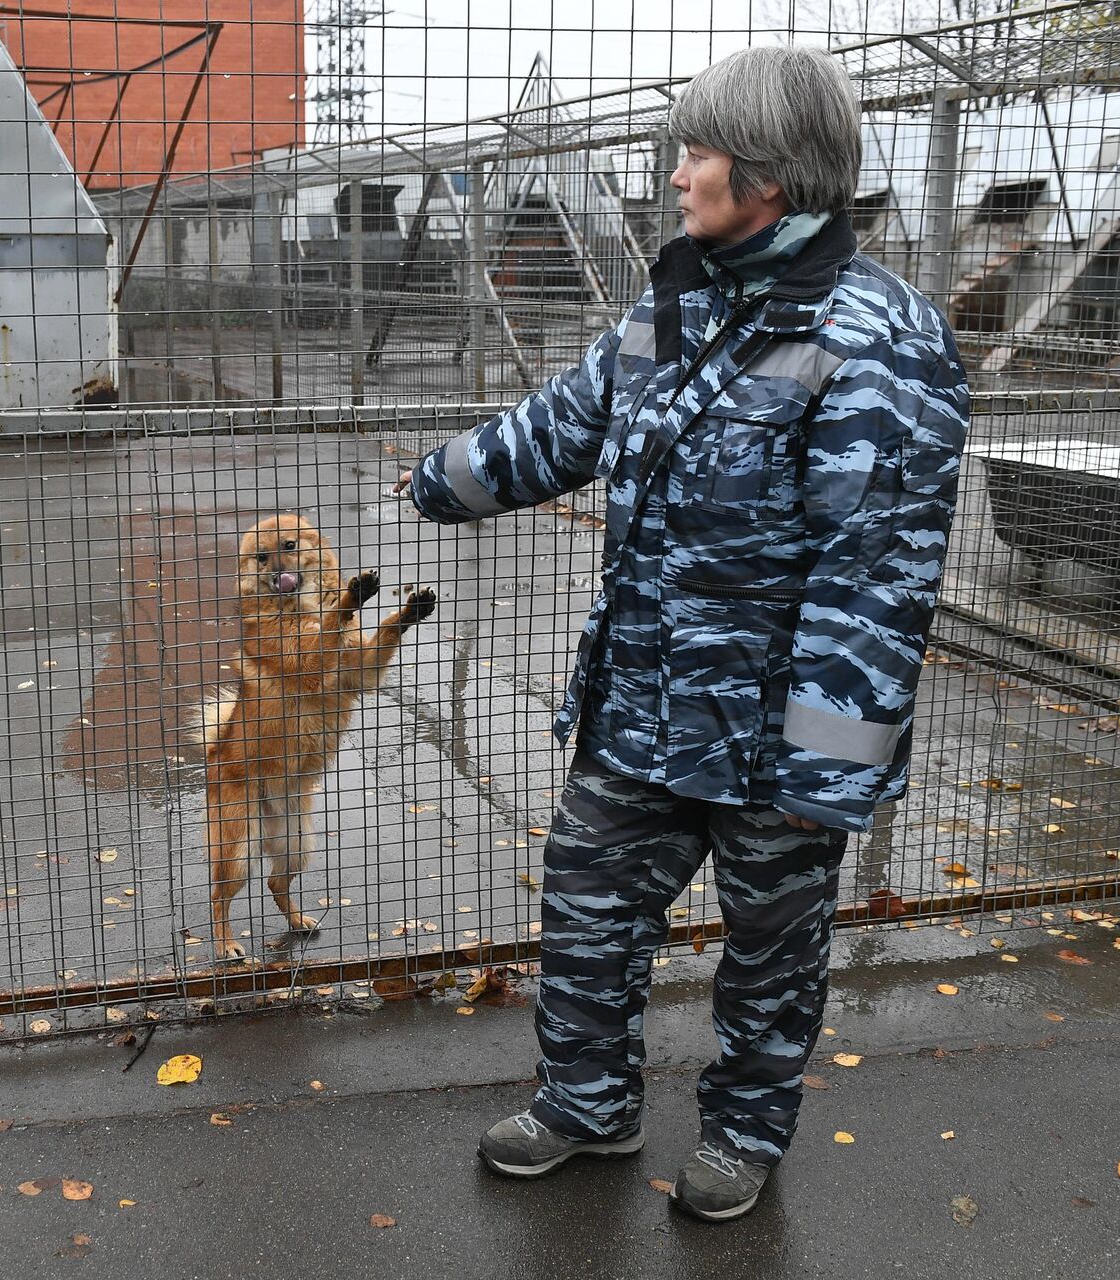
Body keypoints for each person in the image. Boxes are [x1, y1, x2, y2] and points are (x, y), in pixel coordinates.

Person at [395, 44, 968, 1222]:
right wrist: (440, 479)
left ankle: (746, 1132)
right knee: (589, 903)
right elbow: (564, 421)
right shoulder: (682, 302)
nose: (674, 178)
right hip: (645, 708)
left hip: (776, 744)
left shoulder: (878, 340)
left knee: (769, 947)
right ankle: (588, 1102)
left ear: (766, 175)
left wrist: (823, 778)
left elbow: (878, 580)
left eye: (694, 154)